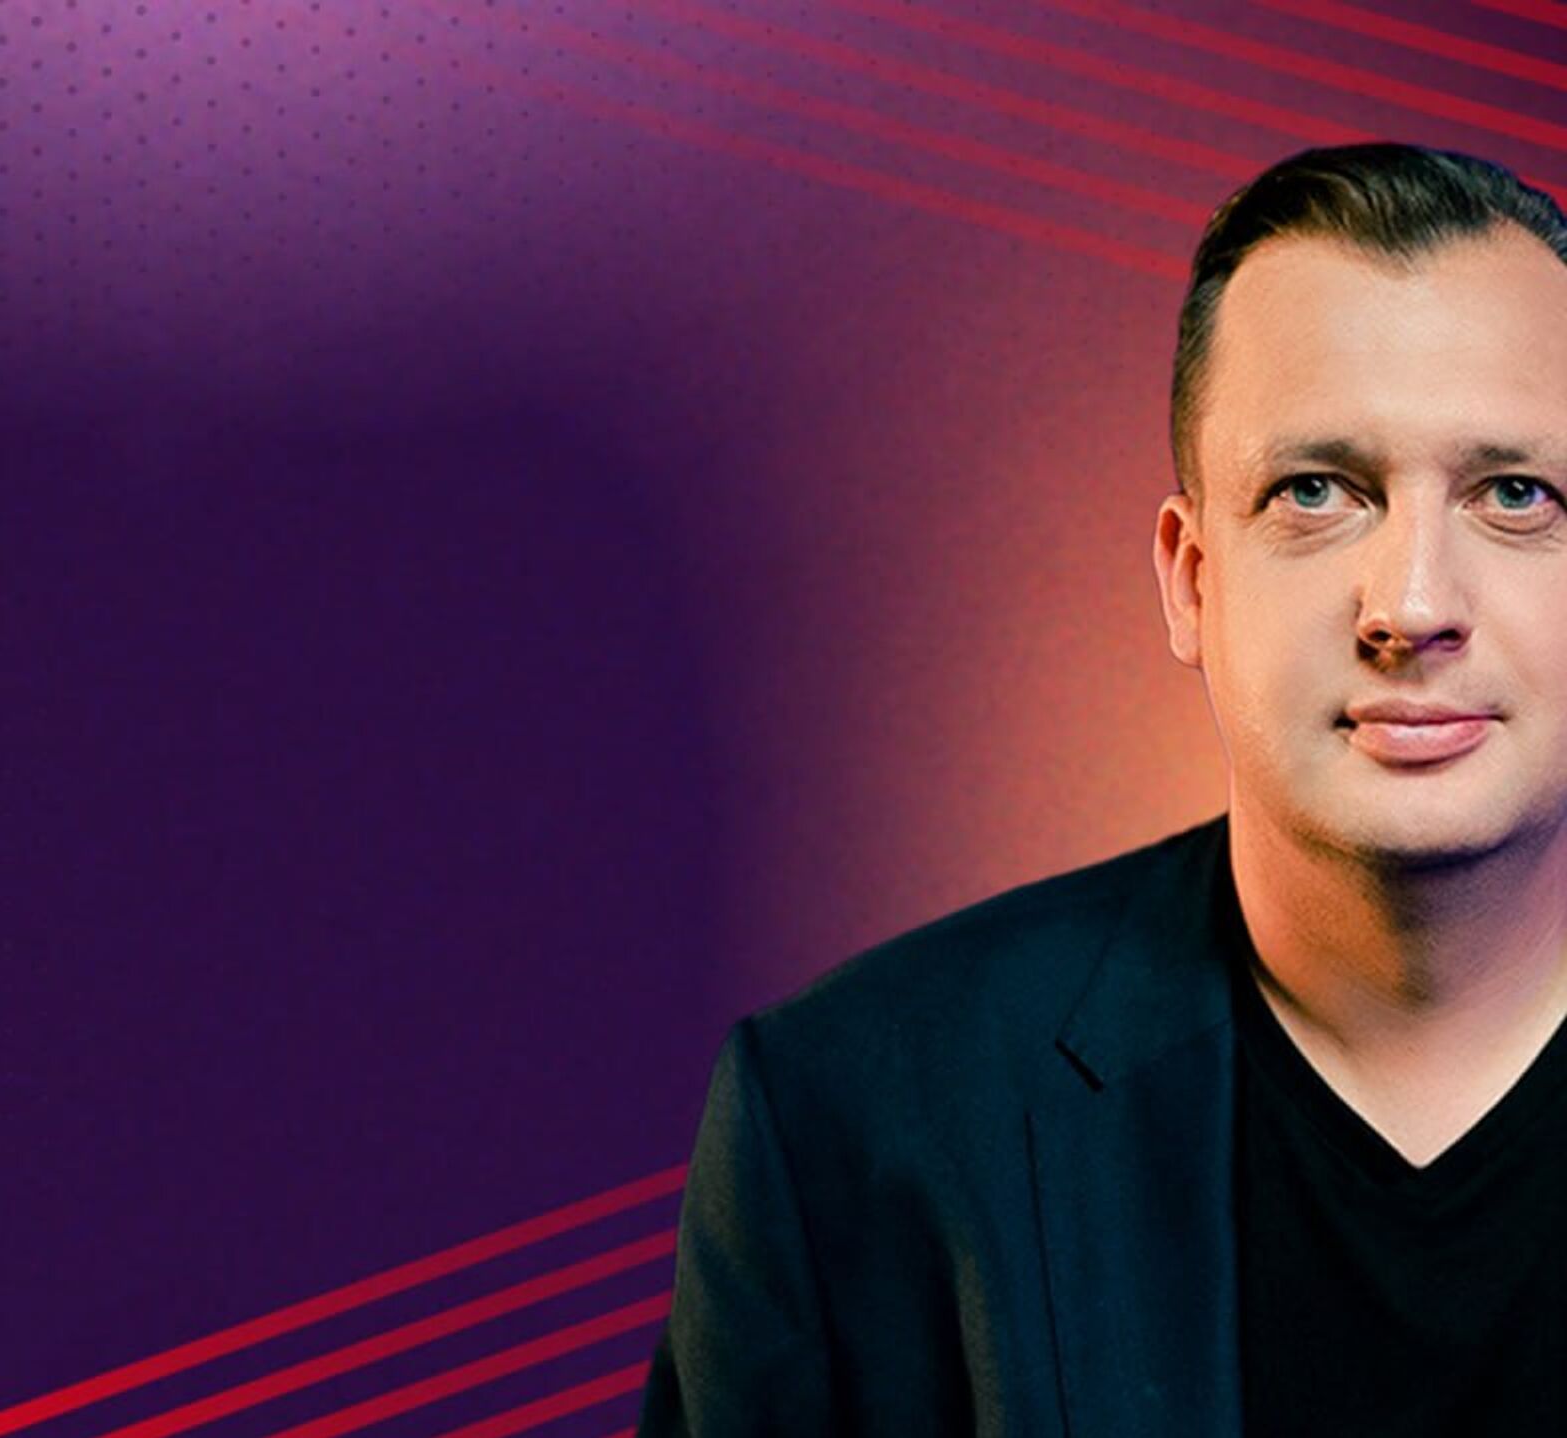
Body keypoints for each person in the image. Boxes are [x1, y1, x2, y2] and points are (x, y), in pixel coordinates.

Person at [634, 142, 1567, 1437]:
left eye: (1516, 493)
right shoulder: (844, 1123)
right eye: (1315, 492)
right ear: (1191, 581)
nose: (1412, 606)